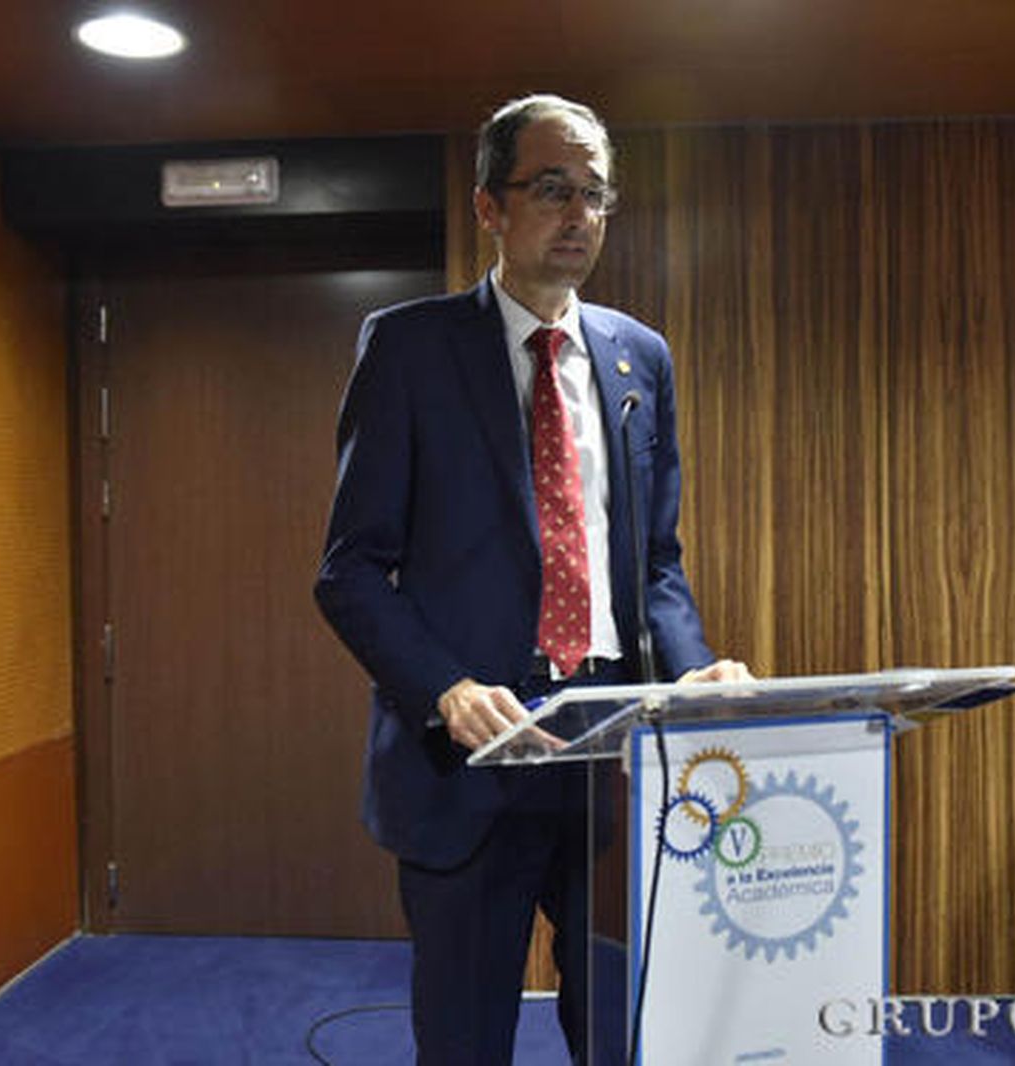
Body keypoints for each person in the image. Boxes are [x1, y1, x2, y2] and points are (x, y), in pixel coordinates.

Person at [313, 94, 749, 1064]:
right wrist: (444, 687)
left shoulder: (642, 358)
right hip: (469, 755)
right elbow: (349, 571)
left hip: (611, 756)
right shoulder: (411, 349)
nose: (579, 215)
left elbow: (656, 564)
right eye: (553, 189)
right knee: (465, 1039)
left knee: (620, 1030)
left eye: (596, 195)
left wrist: (690, 669)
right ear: (488, 206)